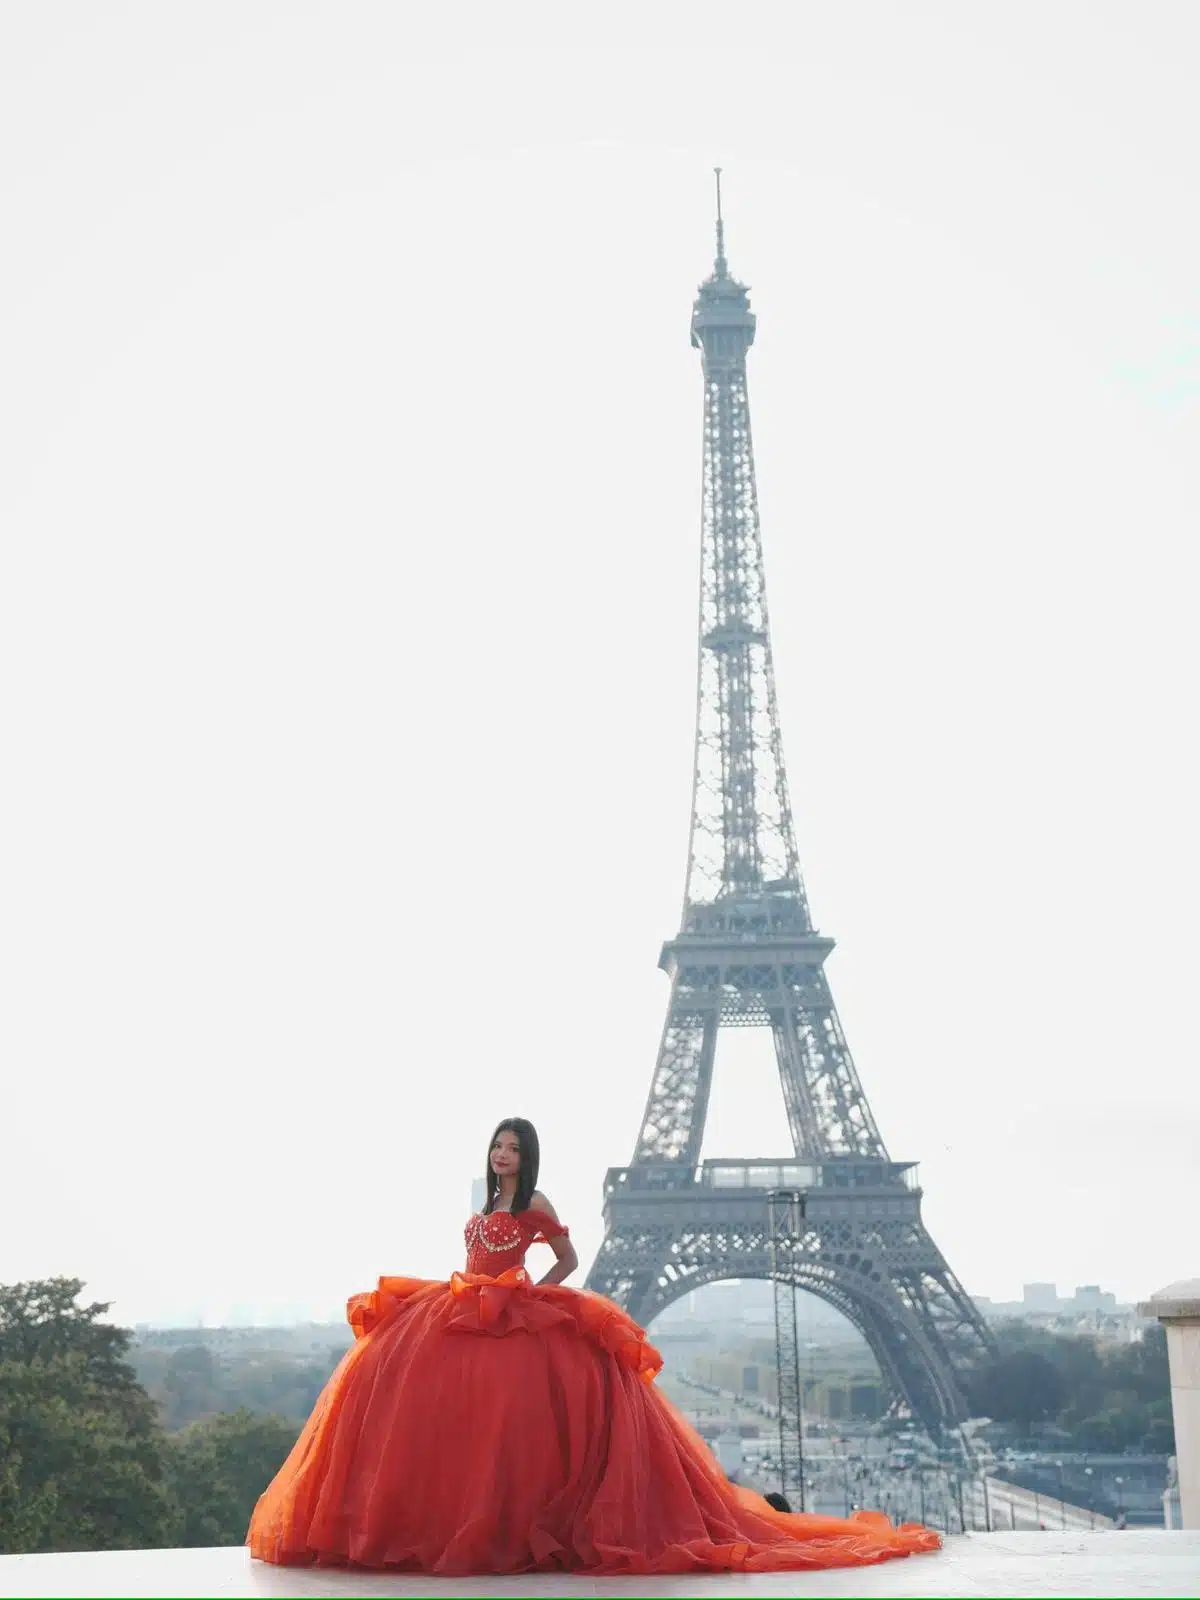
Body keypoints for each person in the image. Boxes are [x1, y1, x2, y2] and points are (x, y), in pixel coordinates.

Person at [247, 1117, 941, 1576]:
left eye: (514, 1148)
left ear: (529, 1157)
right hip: (462, 1309)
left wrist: (530, 1290)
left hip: (508, 1308)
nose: (503, 1155)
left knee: (511, 1429)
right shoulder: (487, 1205)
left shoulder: (534, 1205)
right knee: (455, 1427)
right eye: (498, 1146)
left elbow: (570, 1259)